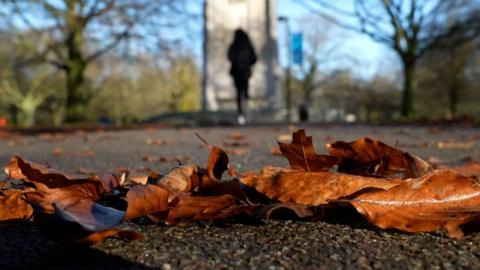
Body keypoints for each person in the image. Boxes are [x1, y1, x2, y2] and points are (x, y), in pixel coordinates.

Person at [227, 29, 257, 125]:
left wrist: (237, 62)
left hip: (237, 71)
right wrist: (247, 64)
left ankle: (240, 114)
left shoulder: (234, 45)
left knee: (239, 93)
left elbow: (229, 57)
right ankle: (247, 112)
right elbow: (254, 58)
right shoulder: (248, 46)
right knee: (245, 92)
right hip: (245, 72)